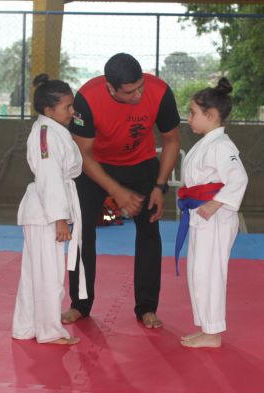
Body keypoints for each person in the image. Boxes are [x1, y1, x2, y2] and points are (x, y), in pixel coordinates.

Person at [63, 53, 181, 329]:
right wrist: (116, 191)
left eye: (140, 87)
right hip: (96, 167)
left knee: (150, 231)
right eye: (130, 92)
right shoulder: (88, 98)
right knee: (82, 232)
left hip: (142, 166)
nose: (138, 95)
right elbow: (83, 154)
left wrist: (159, 186)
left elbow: (172, 140)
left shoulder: (159, 92)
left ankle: (147, 307)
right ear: (110, 88)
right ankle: (80, 303)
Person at [11, 73, 84, 345]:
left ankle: (26, 327)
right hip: (46, 214)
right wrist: (60, 219)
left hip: (43, 211)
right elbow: (49, 177)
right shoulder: (46, 135)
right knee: (49, 275)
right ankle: (49, 331)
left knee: (34, 273)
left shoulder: (51, 131)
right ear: (49, 110)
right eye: (67, 107)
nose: (72, 111)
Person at [176, 78, 248, 348]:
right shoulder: (208, 142)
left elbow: (239, 178)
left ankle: (214, 333)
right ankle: (207, 327)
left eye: (193, 112)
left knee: (211, 274)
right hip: (201, 216)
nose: (189, 118)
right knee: (199, 273)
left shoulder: (222, 146)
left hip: (215, 218)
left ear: (211, 115)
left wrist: (215, 203)